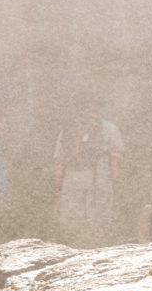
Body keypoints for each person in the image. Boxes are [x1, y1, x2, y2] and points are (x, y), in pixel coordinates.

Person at [54, 92, 125, 238]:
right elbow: (116, 159)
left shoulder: (67, 131)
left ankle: (73, 250)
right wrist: (113, 181)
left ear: (80, 108)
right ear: (100, 108)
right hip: (98, 180)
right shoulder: (110, 129)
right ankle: (94, 249)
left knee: (72, 226)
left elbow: (59, 163)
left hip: (72, 181)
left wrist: (59, 191)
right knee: (98, 224)